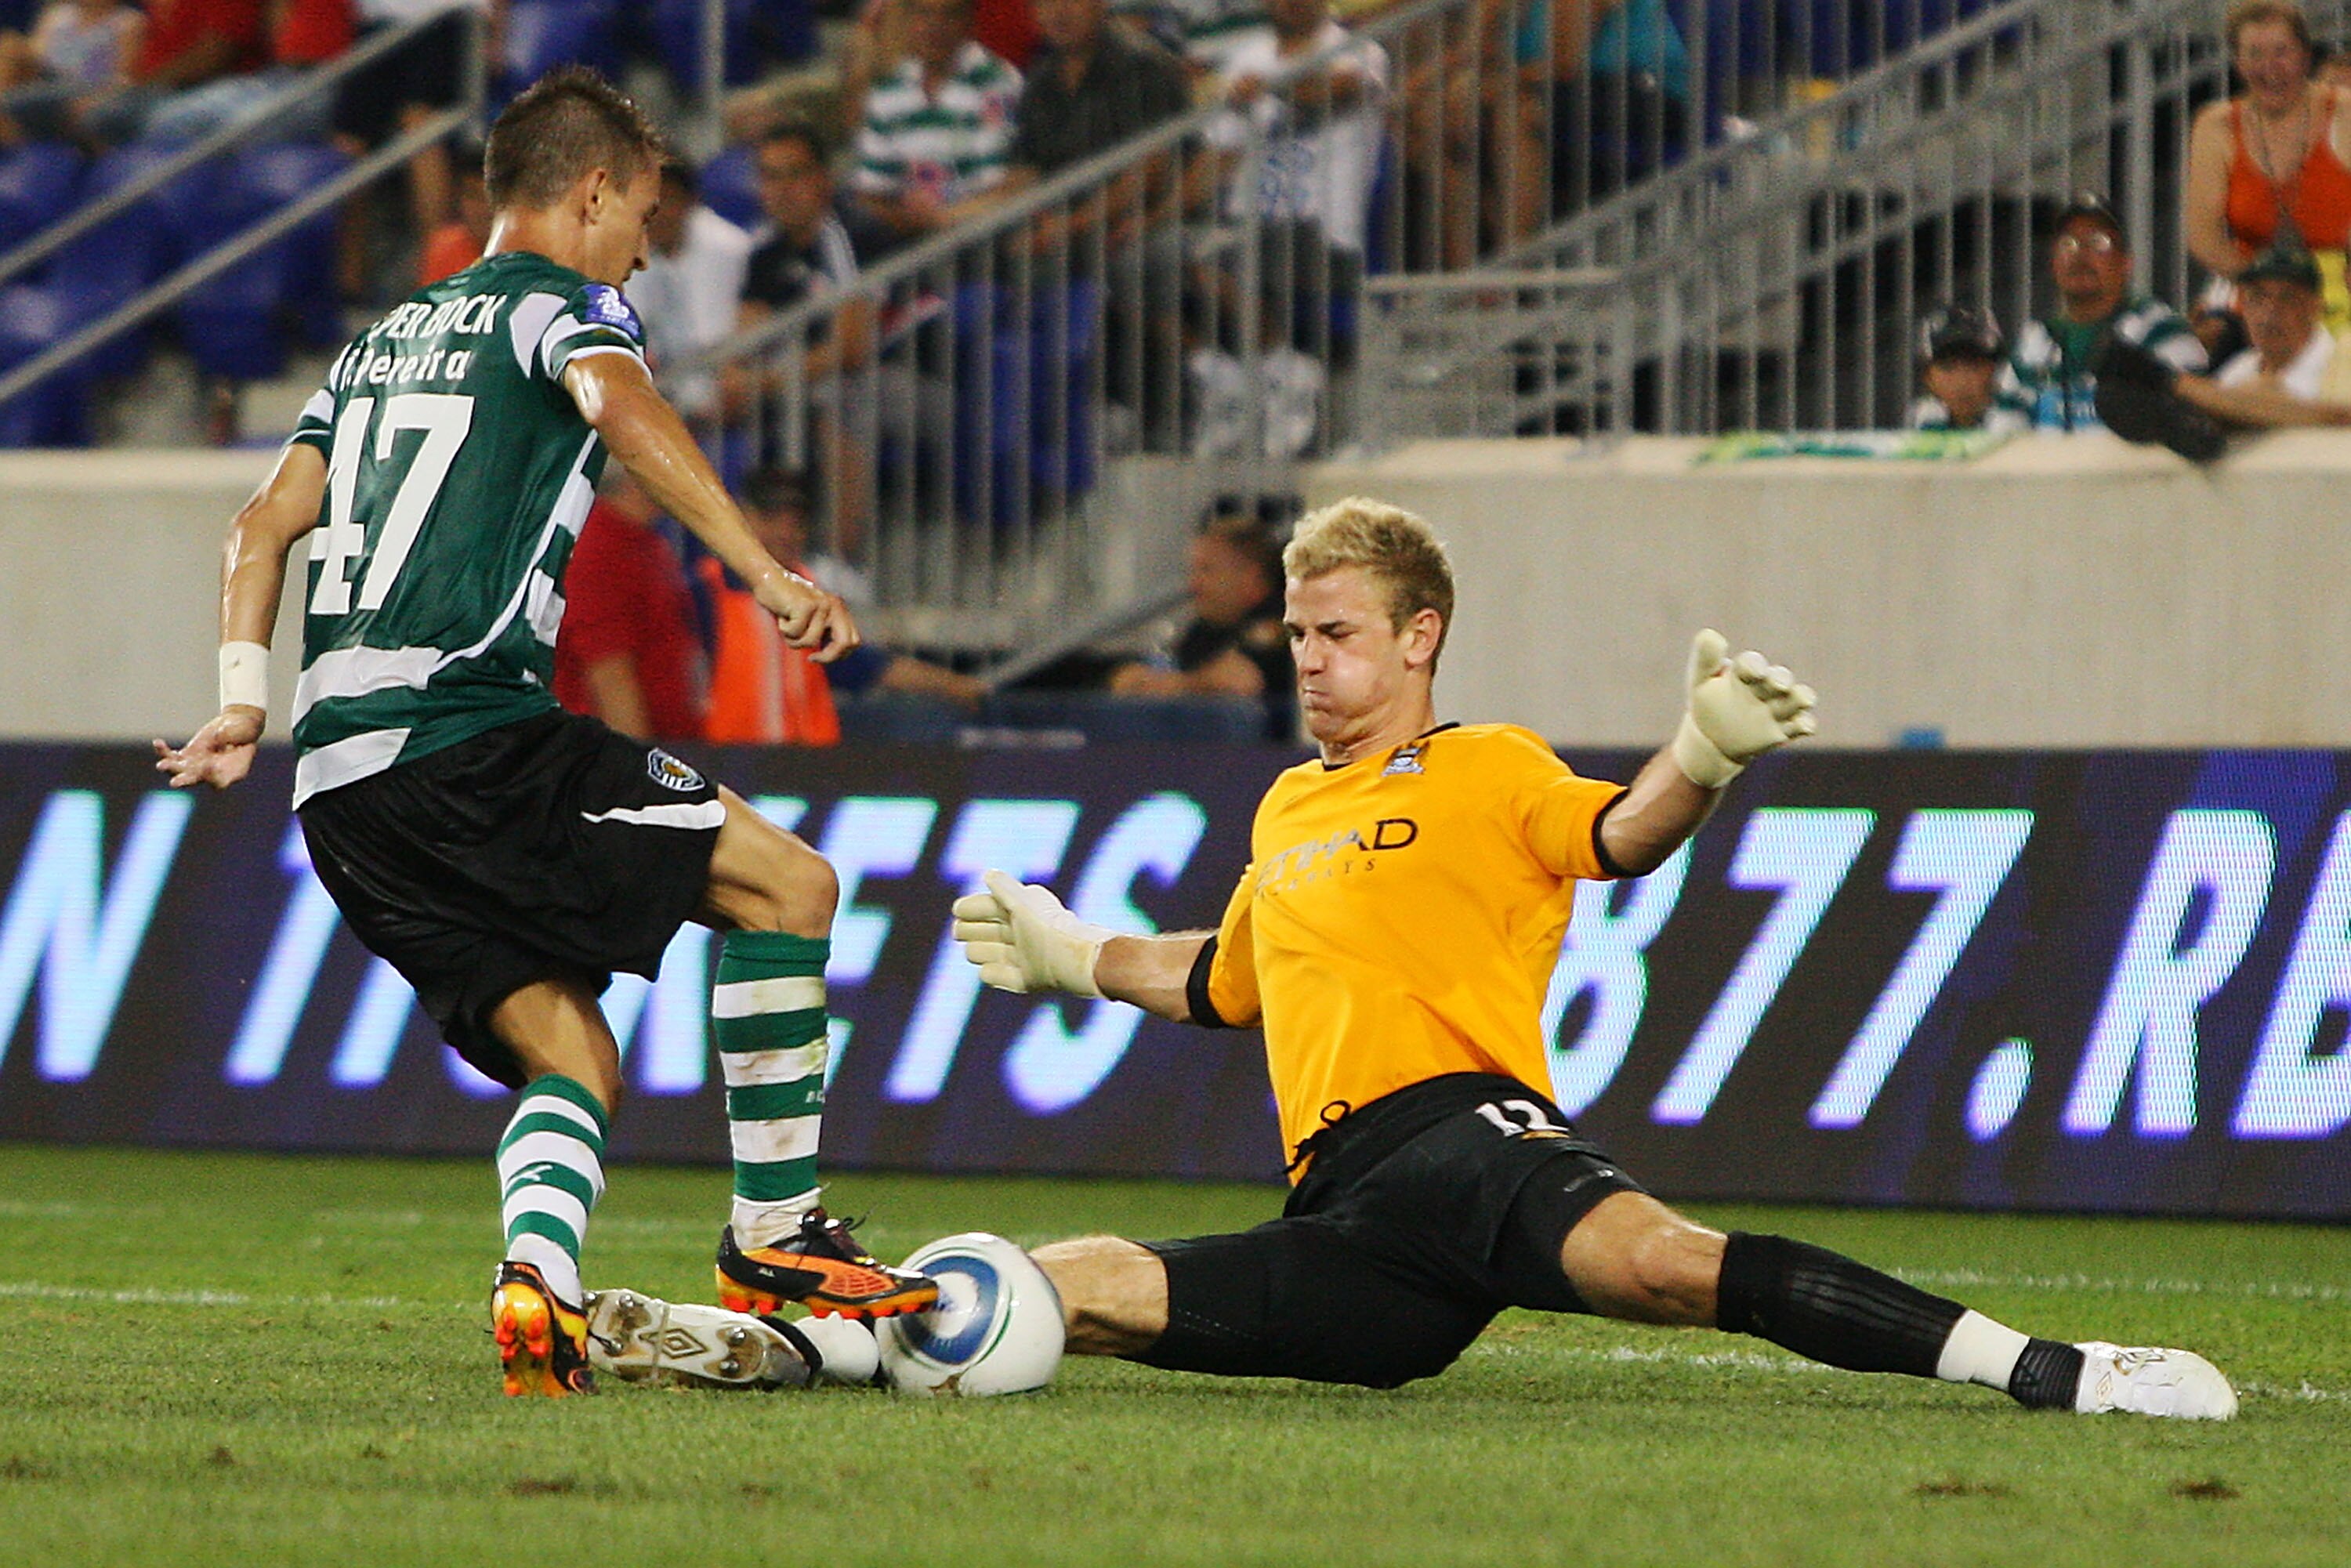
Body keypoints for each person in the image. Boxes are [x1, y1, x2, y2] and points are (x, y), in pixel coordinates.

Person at [947, 496, 2237, 1418]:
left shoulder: (1490, 766)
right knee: (1093, 1287)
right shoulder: (1286, 808)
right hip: (1347, 1214)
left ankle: (2057, 1369)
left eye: (1336, 632)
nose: (1310, 660)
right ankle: (828, 1329)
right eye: (1296, 634)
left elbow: (1621, 834)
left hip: (1469, 1141)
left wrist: (1704, 756)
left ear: (1419, 637)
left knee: (1670, 1267)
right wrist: (1081, 953)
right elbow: (1228, 979)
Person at [151, 68, 936, 1400]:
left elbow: (259, 526)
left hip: (339, 786)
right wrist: (763, 567)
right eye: (639, 208)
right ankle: (776, 1240)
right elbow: (622, 412)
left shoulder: (376, 341)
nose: (647, 238)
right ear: (586, 194)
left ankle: (542, 1289)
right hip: (468, 735)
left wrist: (243, 696)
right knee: (791, 886)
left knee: (570, 1054)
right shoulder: (568, 305)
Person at [702, 466, 984, 744]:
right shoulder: (705, 591)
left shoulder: (811, 597)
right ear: (743, 517)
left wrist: (953, 685)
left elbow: (866, 665)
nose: (785, 532)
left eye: (796, 522)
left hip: (799, 769)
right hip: (726, 765)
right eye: (771, 518)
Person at [2184, 0, 2351, 331]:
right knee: (2210, 342)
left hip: (2340, 290)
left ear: (2305, 55)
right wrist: (2268, 289)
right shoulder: (2215, 126)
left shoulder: (2345, 113)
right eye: (2255, 54)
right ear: (2237, 62)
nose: (2269, 68)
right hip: (2253, 287)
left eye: (2281, 52)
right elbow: (2204, 236)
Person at [2098, 240, 2351, 444]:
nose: (2269, 313)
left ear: (2316, 307)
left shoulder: (2340, 356)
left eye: (2287, 298)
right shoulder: (2242, 365)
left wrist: (2169, 381)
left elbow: (2325, 415)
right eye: (2257, 298)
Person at [1998, 194, 2206, 433]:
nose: (2080, 254)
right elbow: (2004, 430)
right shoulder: (2034, 343)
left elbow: (2195, 416)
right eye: (2068, 243)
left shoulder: (2160, 330)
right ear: (2053, 263)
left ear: (2126, 263)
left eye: (2098, 243)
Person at [849, 0, 1023, 254]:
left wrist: (940, 218)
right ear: (909, 21)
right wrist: (910, 220)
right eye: (924, 14)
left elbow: (998, 188)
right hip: (906, 242)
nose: (934, 27)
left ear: (967, 23)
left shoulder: (996, 82)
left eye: (947, 15)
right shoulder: (887, 89)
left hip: (983, 247)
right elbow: (870, 194)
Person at [552, 468, 709, 744]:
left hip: (670, 748)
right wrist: (641, 771)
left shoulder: (646, 543)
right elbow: (609, 674)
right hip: (617, 759)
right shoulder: (600, 550)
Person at [1109, 512, 1293, 739]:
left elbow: (1242, 681)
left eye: (1207, 570)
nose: (1194, 584)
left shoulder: (1286, 620)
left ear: (1249, 576)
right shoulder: (1202, 630)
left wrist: (1173, 685)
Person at [628, 158, 754, 426]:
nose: (657, 214)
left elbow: (720, 334)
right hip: (670, 394)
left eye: (667, 202)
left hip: (730, 392)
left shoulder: (727, 247)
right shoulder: (633, 249)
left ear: (690, 201)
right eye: (650, 205)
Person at [1907, 303, 2026, 433]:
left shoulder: (2012, 419)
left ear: (1993, 370)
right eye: (1948, 367)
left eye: (1974, 366)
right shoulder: (1925, 418)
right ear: (1928, 378)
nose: (1962, 381)